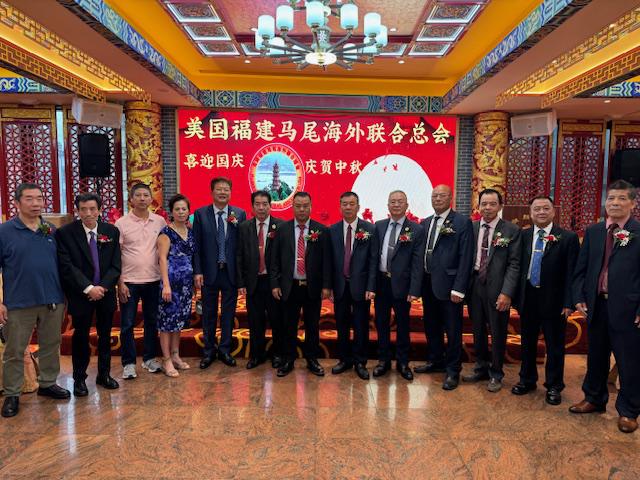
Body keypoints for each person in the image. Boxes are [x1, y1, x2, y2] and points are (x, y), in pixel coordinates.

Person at [571, 180, 640, 433]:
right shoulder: (594, 231)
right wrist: (579, 296)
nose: (615, 203)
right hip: (596, 305)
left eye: (621, 198)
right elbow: (581, 269)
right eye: (611, 198)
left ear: (633, 203)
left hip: (628, 308)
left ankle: (629, 411)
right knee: (596, 356)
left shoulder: (637, 232)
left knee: (628, 360)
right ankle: (594, 398)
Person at [0, 183, 70, 418]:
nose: (36, 203)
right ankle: (12, 393)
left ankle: (48, 383)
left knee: (51, 344)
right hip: (18, 302)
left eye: (39, 198)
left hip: (52, 298)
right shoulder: (5, 231)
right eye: (29, 199)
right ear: (17, 203)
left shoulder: (50, 230)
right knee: (15, 350)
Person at [511, 196, 579, 405]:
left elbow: (572, 273)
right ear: (531, 213)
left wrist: (569, 302)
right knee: (527, 342)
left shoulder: (567, 237)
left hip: (555, 300)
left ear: (553, 212)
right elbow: (517, 266)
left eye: (545, 208)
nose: (541, 212)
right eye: (537, 209)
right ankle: (527, 379)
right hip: (528, 297)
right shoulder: (523, 235)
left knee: (555, 344)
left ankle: (554, 386)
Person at [57, 193, 121, 396]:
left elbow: (116, 265)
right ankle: (79, 379)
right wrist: (88, 288)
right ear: (77, 211)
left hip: (105, 293)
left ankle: (104, 374)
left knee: (105, 335)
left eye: (92, 209)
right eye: (83, 209)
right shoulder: (66, 233)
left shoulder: (111, 231)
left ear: (100, 210)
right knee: (81, 336)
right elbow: (66, 266)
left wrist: (102, 287)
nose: (88, 213)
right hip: (80, 293)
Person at [414, 185, 474, 390]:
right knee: (431, 325)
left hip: (450, 287)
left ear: (450, 198)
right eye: (434, 196)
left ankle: (453, 370)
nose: (437, 199)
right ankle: (435, 360)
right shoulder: (425, 222)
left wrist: (459, 288)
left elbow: (466, 257)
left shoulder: (462, 222)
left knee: (453, 329)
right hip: (428, 283)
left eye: (442, 195)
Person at [463, 188, 520, 392]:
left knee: (497, 331)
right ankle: (481, 367)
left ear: (500, 206)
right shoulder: (471, 227)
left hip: (498, 288)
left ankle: (496, 373)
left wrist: (507, 293)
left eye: (492, 204)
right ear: (478, 206)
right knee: (477, 329)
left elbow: (514, 264)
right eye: (484, 204)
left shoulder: (511, 230)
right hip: (475, 285)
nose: (487, 208)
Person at [270, 192, 331, 377]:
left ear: (311, 207)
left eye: (305, 206)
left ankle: (312, 359)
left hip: (312, 287)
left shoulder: (321, 230)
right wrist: (275, 284)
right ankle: (288, 359)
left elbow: (326, 261)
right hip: (290, 286)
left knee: (312, 325)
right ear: (293, 207)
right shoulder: (283, 229)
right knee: (289, 325)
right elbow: (274, 260)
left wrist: (326, 286)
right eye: (298, 206)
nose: (302, 209)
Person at [368, 190, 425, 381]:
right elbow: (374, 258)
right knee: (381, 323)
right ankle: (383, 360)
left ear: (407, 205)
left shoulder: (416, 230)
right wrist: (371, 285)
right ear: (388, 205)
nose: (396, 204)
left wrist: (415, 289)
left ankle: (402, 362)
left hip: (403, 286)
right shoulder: (379, 226)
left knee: (403, 324)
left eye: (400, 201)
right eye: (392, 201)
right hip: (382, 283)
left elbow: (417, 263)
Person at [193, 177, 246, 369]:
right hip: (209, 273)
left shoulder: (239, 214)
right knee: (208, 313)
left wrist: (241, 277)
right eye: (219, 189)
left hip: (230, 273)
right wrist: (197, 271)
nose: (223, 192)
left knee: (228, 314)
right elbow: (196, 246)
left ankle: (224, 350)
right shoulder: (200, 214)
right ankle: (208, 351)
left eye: (226, 190)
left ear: (230, 193)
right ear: (212, 192)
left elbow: (241, 248)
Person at [116, 183, 165, 379]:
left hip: (154, 280)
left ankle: (149, 358)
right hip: (129, 281)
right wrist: (120, 282)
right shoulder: (121, 223)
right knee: (127, 324)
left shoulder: (159, 221)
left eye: (146, 195)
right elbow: (116, 255)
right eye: (138, 195)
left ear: (151, 198)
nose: (143, 198)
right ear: (131, 199)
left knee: (152, 321)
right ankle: (128, 363)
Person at [328, 191, 376, 380]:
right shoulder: (332, 230)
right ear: (340, 207)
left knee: (361, 325)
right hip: (340, 287)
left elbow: (373, 261)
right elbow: (329, 262)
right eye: (344, 204)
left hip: (361, 287)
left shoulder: (369, 229)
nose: (348, 207)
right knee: (341, 324)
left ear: (358, 206)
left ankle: (360, 361)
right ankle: (344, 359)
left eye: (351, 204)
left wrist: (371, 286)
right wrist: (329, 286)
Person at [237, 191, 283, 370]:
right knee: (255, 321)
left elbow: (283, 257)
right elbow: (239, 256)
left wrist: (279, 282)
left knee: (277, 320)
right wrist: (241, 283)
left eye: (265, 204)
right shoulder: (244, 227)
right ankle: (257, 355)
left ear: (270, 206)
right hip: (253, 282)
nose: (261, 207)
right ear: (252, 206)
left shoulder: (280, 226)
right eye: (257, 204)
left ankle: (277, 354)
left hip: (273, 284)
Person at [157, 194, 195, 377]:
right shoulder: (166, 233)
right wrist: (166, 285)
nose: (181, 212)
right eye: (177, 209)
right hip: (170, 284)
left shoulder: (190, 231)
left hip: (186, 285)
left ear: (188, 211)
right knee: (166, 323)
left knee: (178, 321)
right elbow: (162, 259)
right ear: (171, 212)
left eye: (184, 209)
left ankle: (175, 355)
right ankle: (166, 360)